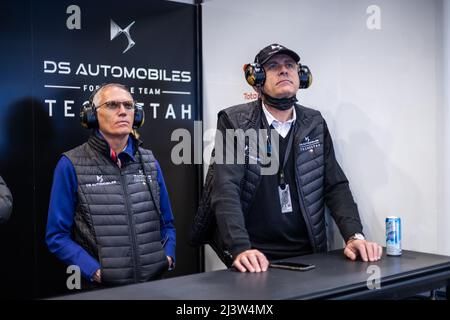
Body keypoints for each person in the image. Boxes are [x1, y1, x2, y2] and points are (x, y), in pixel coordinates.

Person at [209, 44, 382, 272]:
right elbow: (225, 188)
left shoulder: (314, 122)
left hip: (310, 254)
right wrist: (240, 248)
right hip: (254, 256)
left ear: (301, 76)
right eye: (273, 66)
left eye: (290, 65)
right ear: (257, 77)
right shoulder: (234, 122)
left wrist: (354, 236)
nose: (284, 70)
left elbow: (335, 186)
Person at [46, 83, 175, 287]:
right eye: (113, 105)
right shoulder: (70, 164)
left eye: (128, 105)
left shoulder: (150, 161)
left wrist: (167, 257)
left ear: (137, 115)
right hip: (103, 288)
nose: (123, 111)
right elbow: (57, 236)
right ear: (91, 115)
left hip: (154, 284)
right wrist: (95, 271)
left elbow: (167, 224)